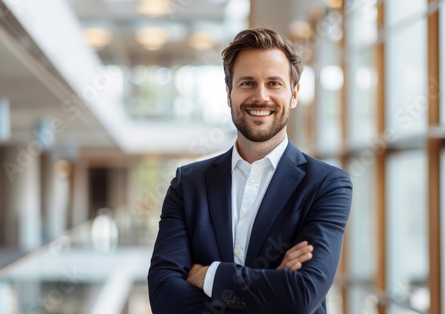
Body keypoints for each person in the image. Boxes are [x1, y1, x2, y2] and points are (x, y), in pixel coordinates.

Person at [148, 28, 352, 314]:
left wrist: (208, 276)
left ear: (293, 94)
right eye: (247, 83)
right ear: (229, 93)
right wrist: (272, 285)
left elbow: (301, 296)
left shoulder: (327, 185)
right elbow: (163, 297)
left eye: (273, 83)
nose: (261, 96)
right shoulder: (188, 184)